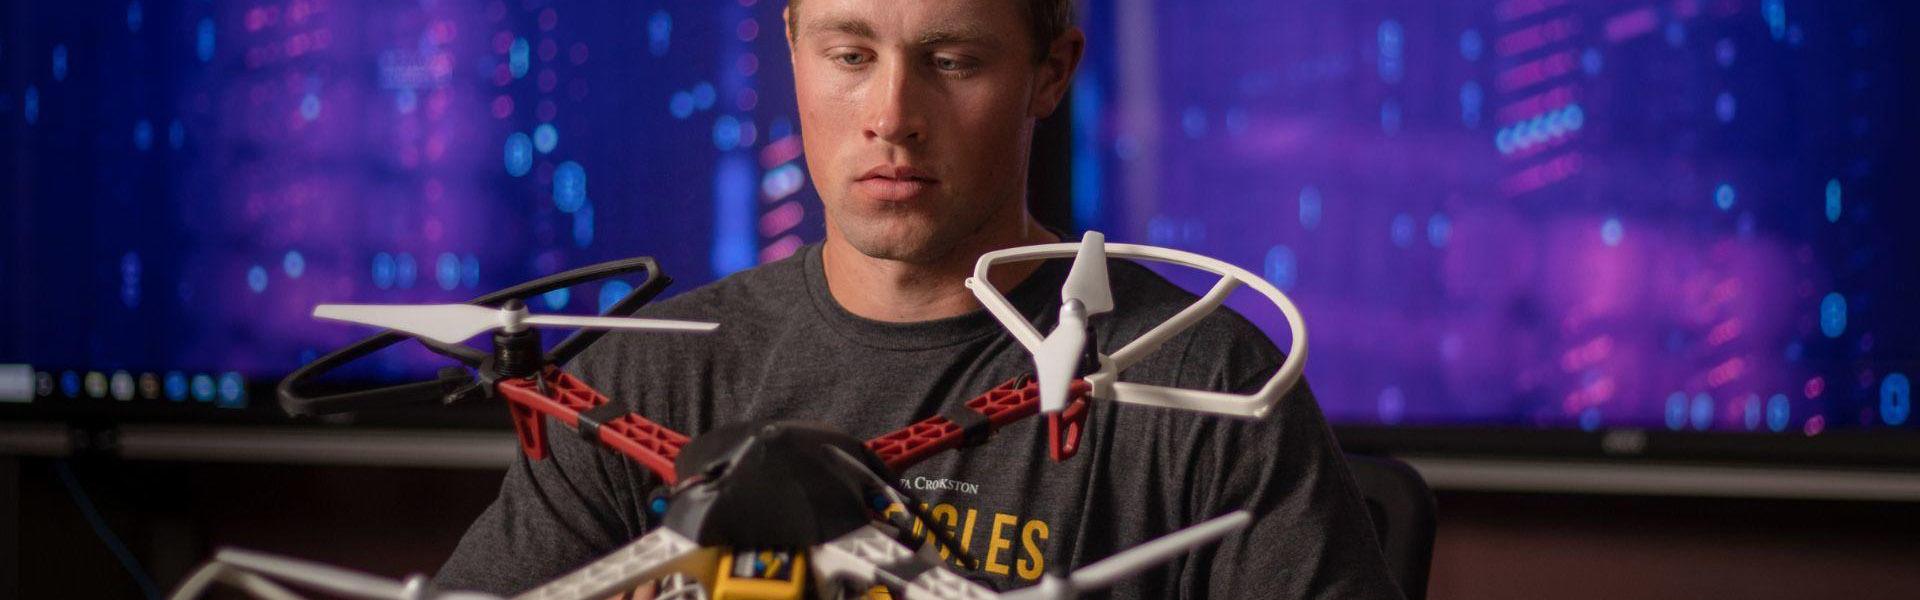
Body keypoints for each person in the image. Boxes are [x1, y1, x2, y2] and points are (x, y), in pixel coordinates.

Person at [438, 0, 1402, 598]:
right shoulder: (643, 375)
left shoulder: (1199, 382)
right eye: (849, 54)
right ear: (792, 43)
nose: (892, 117)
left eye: (951, 62)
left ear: (1050, 74)